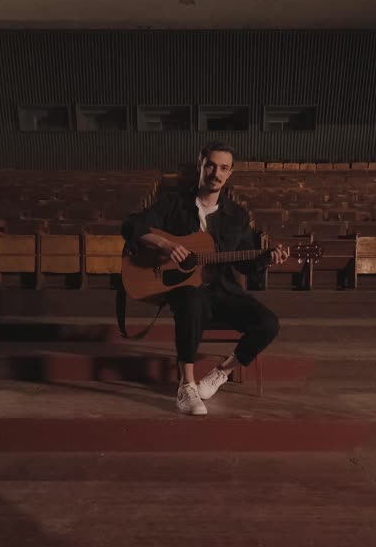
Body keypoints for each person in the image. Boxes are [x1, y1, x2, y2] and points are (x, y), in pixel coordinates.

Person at [122, 142, 290, 415]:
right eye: (210, 165)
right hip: (184, 289)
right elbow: (131, 224)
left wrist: (267, 259)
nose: (216, 173)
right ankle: (187, 385)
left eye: (223, 168)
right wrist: (165, 245)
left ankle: (221, 372)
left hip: (222, 290)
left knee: (269, 324)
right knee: (191, 299)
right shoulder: (174, 204)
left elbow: (245, 264)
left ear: (230, 173)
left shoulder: (237, 215)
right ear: (200, 166)